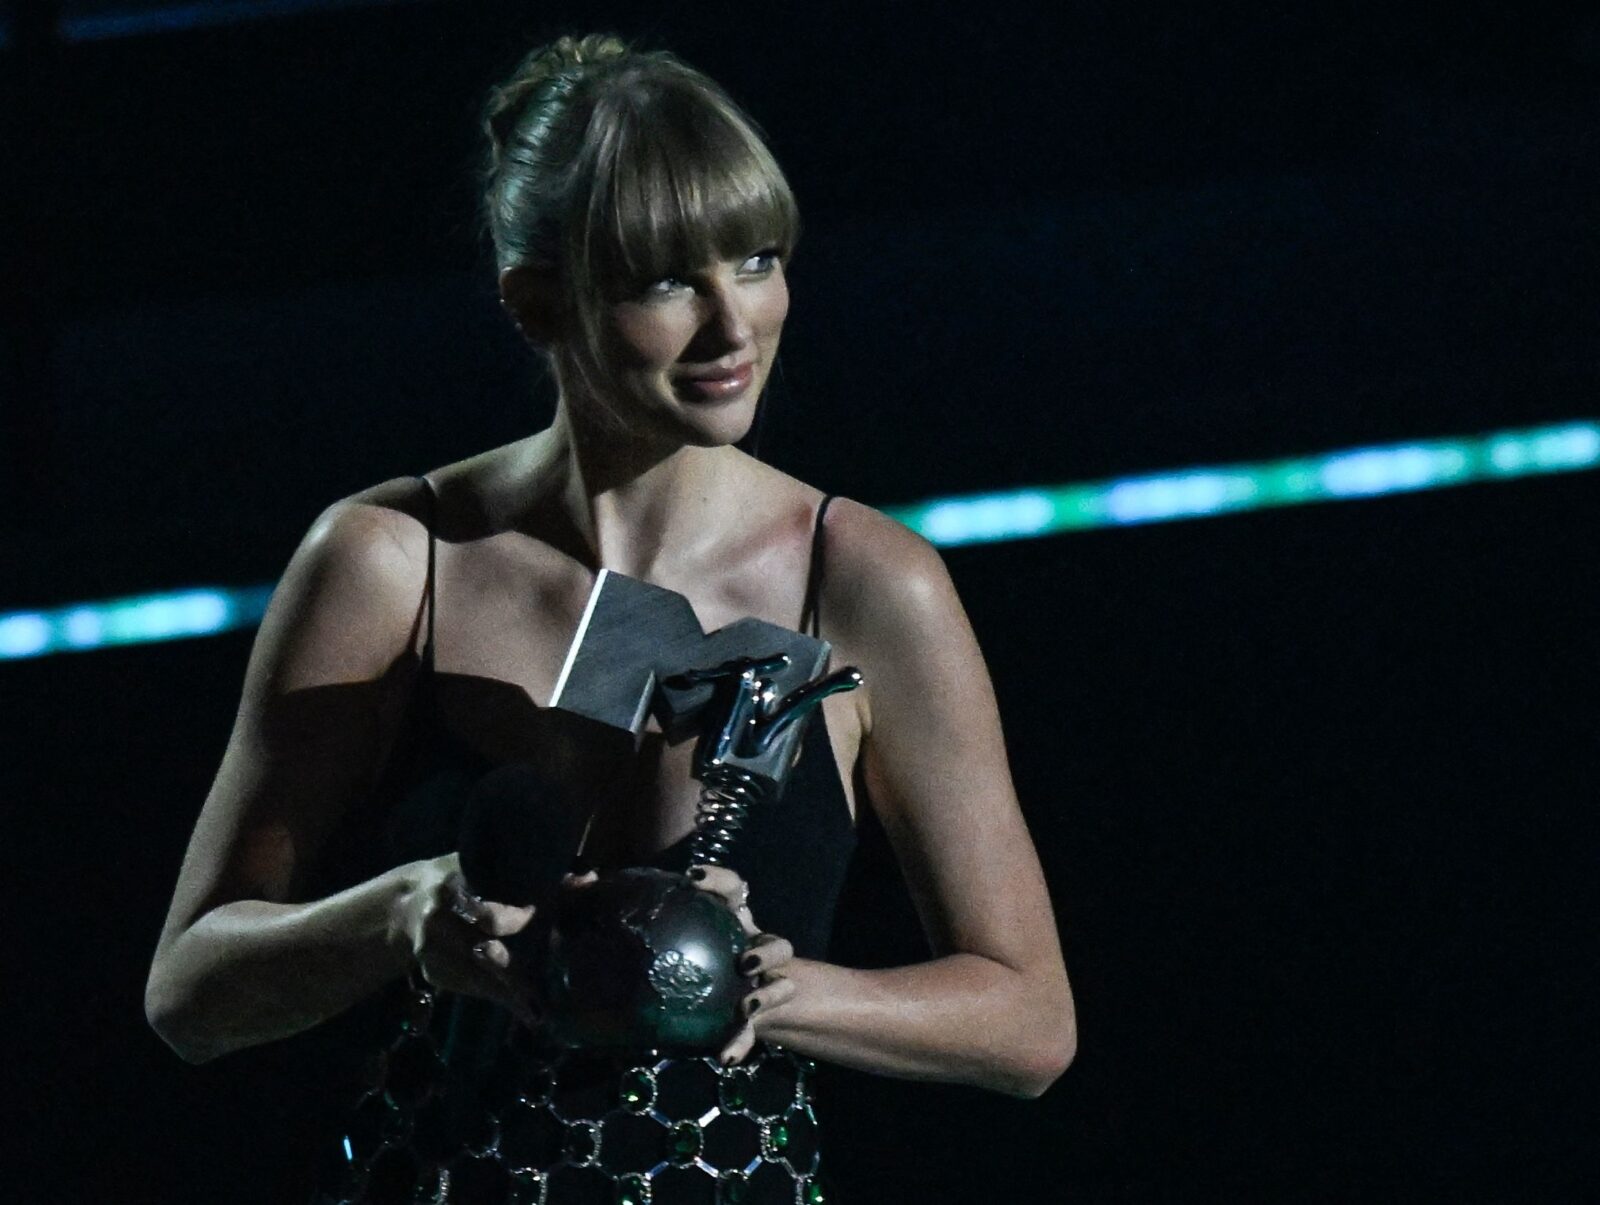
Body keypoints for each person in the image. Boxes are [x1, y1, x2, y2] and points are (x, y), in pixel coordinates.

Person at [145, 33, 1075, 1203]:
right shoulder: (393, 562)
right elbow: (190, 993)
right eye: (667, 280)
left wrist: (767, 984)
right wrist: (400, 913)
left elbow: (1029, 1019)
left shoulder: (865, 580)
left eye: (756, 258)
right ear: (539, 303)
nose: (734, 326)